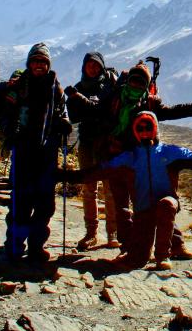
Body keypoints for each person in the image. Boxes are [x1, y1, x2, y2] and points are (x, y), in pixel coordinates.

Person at [64, 60, 192, 254]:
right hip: (116, 156)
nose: (136, 85)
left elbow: (171, 112)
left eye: (140, 82)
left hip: (139, 158)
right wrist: (77, 97)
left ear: (145, 85)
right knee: (122, 204)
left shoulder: (150, 102)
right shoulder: (115, 98)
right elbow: (95, 108)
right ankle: (128, 247)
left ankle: (174, 244)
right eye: (133, 81)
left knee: (152, 200)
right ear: (128, 81)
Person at [84, 111, 192, 270]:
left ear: (155, 129)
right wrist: (62, 175)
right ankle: (141, 251)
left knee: (166, 205)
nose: (144, 132)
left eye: (148, 127)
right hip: (143, 211)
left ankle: (163, 256)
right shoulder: (130, 157)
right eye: (140, 129)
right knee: (137, 261)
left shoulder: (169, 152)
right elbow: (97, 171)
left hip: (166, 204)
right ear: (134, 131)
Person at [0, 43, 72, 263]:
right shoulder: (18, 86)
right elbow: (5, 114)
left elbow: (64, 113)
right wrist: (10, 132)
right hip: (24, 150)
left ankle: (36, 247)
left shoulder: (55, 88)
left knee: (44, 202)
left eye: (43, 62)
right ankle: (14, 245)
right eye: (35, 61)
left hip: (47, 153)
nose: (39, 65)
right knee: (21, 199)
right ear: (29, 63)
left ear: (48, 64)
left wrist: (64, 124)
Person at [65, 52, 120, 251]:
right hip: (87, 142)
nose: (93, 69)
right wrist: (82, 104)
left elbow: (99, 110)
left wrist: (80, 101)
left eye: (96, 65)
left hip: (106, 142)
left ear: (102, 67)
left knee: (110, 189)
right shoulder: (79, 88)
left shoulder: (110, 87)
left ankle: (113, 232)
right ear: (84, 67)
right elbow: (74, 116)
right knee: (89, 189)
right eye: (89, 65)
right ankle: (91, 232)